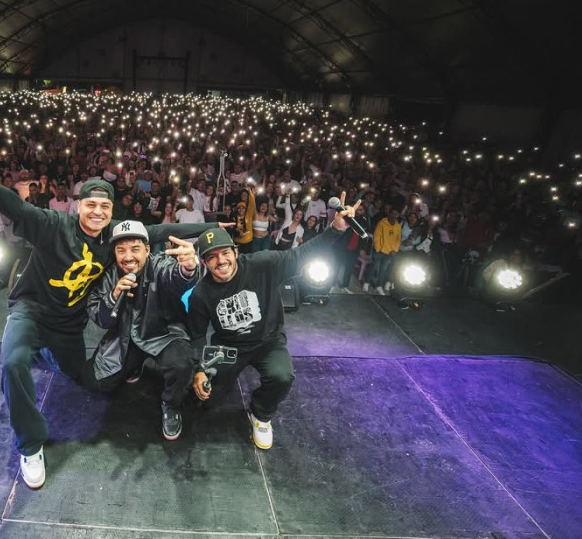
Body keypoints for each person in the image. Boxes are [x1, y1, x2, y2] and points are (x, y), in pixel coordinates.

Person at [0, 139, 220, 490]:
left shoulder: (112, 237)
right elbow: (12, 204)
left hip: (69, 323)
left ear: (111, 211)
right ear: (78, 206)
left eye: (104, 206)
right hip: (32, 311)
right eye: (90, 204)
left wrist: (217, 235)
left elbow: (159, 232)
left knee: (90, 382)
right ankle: (30, 445)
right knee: (13, 363)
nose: (97, 212)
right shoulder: (50, 224)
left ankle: (42, 357)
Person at [188, 192, 359, 450]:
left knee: (282, 376)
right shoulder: (201, 293)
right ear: (204, 262)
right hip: (228, 346)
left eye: (225, 253)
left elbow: (302, 254)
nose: (221, 261)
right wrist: (199, 369)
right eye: (212, 257)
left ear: (235, 251)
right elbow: (197, 335)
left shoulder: (263, 264)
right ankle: (218, 382)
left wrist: (334, 230)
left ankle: (261, 414)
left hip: (267, 340)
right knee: (204, 400)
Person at [83, 222, 199, 441]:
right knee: (95, 382)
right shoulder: (109, 276)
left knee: (183, 365)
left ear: (147, 250)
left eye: (135, 249)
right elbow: (101, 320)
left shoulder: (160, 266)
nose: (128, 257)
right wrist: (113, 296)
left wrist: (188, 268)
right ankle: (134, 367)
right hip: (126, 339)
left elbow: (177, 277)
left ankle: (171, 405)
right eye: (121, 250)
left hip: (164, 335)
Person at [366, 207, 401, 295]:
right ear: (389, 214)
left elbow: (398, 239)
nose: (394, 216)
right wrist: (378, 248)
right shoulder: (382, 223)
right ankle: (366, 283)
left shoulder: (398, 226)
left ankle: (379, 286)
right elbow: (376, 236)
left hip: (390, 252)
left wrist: (395, 250)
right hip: (379, 250)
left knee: (383, 270)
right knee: (373, 267)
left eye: (396, 214)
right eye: (392, 214)